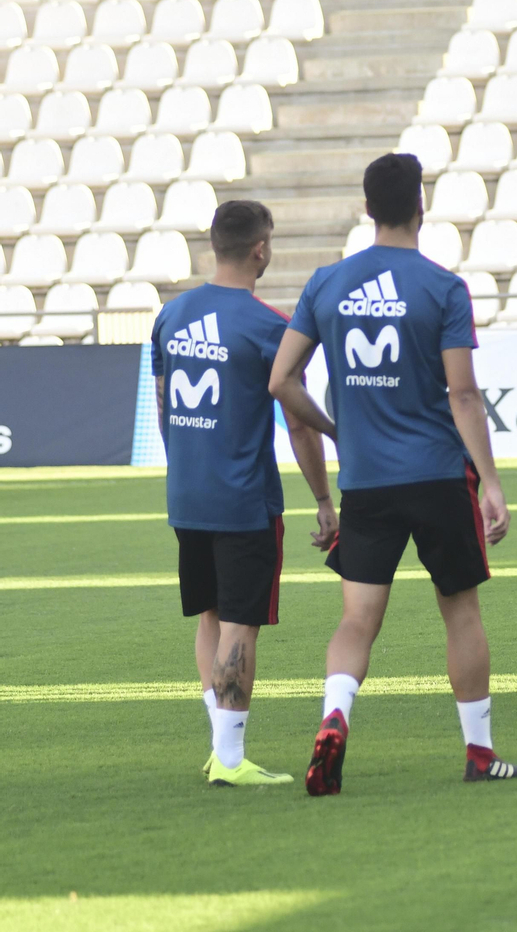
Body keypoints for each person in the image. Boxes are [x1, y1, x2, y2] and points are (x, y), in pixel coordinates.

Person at [270, 153, 517, 792]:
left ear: (366, 208)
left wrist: (334, 429)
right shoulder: (442, 287)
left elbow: (282, 380)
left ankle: (335, 717)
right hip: (438, 475)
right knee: (460, 609)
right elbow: (463, 396)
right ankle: (478, 752)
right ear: (421, 205)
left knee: (357, 619)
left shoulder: (326, 283)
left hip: (366, 481)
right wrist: (491, 483)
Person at [153, 200, 335, 787]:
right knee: (239, 625)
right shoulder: (268, 326)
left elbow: (163, 406)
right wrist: (324, 499)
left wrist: (185, 462)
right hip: (243, 499)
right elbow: (301, 423)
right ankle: (230, 759)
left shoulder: (171, 315)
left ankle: (219, 748)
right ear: (261, 249)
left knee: (209, 617)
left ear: (214, 244)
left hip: (187, 493)